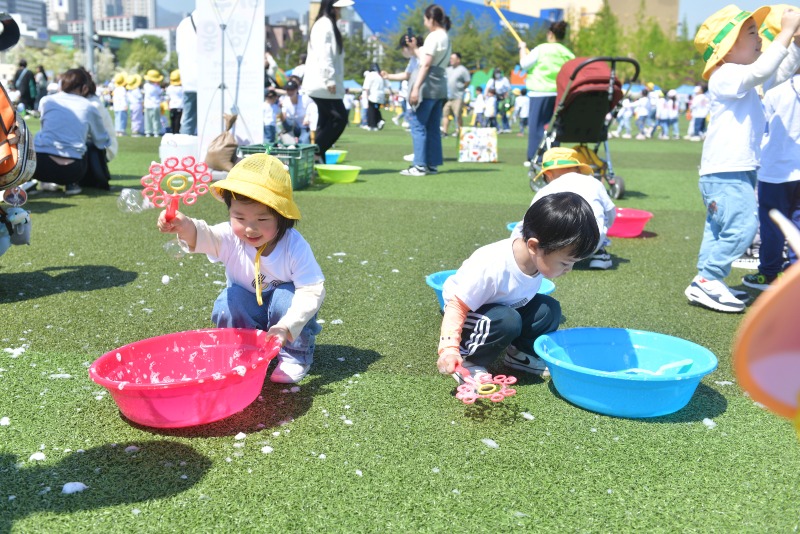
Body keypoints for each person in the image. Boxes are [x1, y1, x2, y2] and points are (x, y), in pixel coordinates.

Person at [156, 154, 325, 384]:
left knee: (286, 296)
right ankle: (242, 352)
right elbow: (205, 235)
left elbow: (312, 289)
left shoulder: (293, 246)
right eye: (239, 217)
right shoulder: (229, 237)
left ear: (282, 217)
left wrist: (286, 326)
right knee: (228, 300)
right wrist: (184, 226)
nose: (250, 228)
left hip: (285, 318)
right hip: (250, 311)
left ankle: (295, 355)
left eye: (263, 219)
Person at [685, 5, 800, 313]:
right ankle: (708, 279)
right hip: (727, 169)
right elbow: (761, 72)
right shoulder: (724, 75)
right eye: (751, 32)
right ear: (726, 47)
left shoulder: (739, 79)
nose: (760, 37)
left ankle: (706, 279)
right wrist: (786, 32)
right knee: (742, 228)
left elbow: (776, 74)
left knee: (719, 229)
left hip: (731, 169)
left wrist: (793, 43)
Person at [436, 192, 599, 380]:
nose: (569, 269)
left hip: (501, 310)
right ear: (534, 246)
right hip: (467, 312)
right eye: (565, 263)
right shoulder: (492, 266)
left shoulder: (536, 260)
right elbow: (457, 306)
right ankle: (469, 361)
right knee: (508, 320)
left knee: (548, 310)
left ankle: (520, 355)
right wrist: (449, 349)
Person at [743, 66, 800, 291]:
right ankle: (794, 272)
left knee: (773, 225)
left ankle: (768, 273)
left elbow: (759, 129)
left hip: (775, 171)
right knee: (797, 223)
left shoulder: (776, 91)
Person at [512, 147, 615, 270]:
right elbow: (611, 213)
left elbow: (529, 222)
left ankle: (549, 261)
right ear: (578, 169)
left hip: (556, 247)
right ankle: (600, 254)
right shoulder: (594, 183)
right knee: (597, 225)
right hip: (591, 244)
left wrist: (515, 243)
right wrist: (604, 229)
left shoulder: (545, 191)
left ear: (548, 174)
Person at [30, 68, 112, 196]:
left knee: (37, 138)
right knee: (89, 144)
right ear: (85, 88)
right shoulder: (89, 106)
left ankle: (29, 181)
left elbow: (45, 126)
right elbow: (101, 141)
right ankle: (72, 184)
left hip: (40, 166)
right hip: (72, 170)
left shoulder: (46, 101)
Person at [402, 4, 451, 176]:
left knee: (418, 124)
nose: (424, 23)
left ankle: (420, 165)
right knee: (432, 126)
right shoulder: (445, 36)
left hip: (428, 83)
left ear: (431, 19)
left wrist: (415, 88)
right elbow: (429, 58)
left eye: (425, 19)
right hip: (440, 84)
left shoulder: (433, 37)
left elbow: (426, 63)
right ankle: (431, 164)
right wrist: (415, 48)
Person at [303, 0, 353, 163]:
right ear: (333, 8)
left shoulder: (327, 24)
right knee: (339, 118)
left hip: (324, 83)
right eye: (340, 8)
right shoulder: (324, 24)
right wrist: (329, 78)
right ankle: (316, 152)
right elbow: (324, 54)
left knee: (325, 121)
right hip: (323, 84)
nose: (342, 11)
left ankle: (318, 158)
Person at [519, 21, 574, 162]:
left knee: (536, 127)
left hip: (539, 92)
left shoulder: (541, 49)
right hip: (559, 95)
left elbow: (524, 64)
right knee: (554, 128)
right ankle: (553, 157)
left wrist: (522, 49)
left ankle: (534, 157)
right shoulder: (566, 52)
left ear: (550, 34)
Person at [382, 33, 423, 130]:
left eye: (403, 48)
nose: (402, 51)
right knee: (419, 127)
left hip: (424, 94)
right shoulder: (413, 58)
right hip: (418, 93)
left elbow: (426, 64)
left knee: (418, 128)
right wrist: (388, 76)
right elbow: (407, 74)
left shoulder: (422, 52)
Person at [176, 10, 198, 135]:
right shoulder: (211, 21)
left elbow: (179, 51)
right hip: (208, 80)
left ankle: (185, 149)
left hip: (188, 79)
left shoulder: (183, 24)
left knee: (188, 118)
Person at [441, 52, 471, 136]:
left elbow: (467, 81)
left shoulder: (463, 70)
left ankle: (459, 131)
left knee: (457, 115)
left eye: (453, 59)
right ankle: (445, 131)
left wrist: (461, 87)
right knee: (445, 114)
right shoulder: (448, 69)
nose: (451, 60)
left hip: (458, 97)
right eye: (450, 59)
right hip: (448, 97)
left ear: (458, 60)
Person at [280, 79, 310, 143]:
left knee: (304, 142)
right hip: (291, 128)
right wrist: (280, 110)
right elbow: (284, 117)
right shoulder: (284, 100)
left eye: (292, 89)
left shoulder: (305, 99)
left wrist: (307, 117)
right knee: (284, 142)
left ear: (297, 89)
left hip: (304, 126)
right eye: (288, 90)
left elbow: (312, 109)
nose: (290, 92)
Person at [485, 67, 511, 133]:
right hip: (494, 98)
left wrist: (506, 96)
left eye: (499, 73)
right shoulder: (492, 80)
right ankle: (495, 127)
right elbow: (487, 88)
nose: (498, 74)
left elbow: (508, 88)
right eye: (496, 73)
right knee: (493, 114)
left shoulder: (504, 80)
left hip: (502, 99)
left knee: (503, 113)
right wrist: (485, 96)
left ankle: (506, 127)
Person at [362, 62, 387, 130]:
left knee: (371, 110)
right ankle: (379, 121)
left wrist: (366, 97)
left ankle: (372, 125)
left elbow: (366, 87)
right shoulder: (380, 75)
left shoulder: (370, 75)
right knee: (376, 109)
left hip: (372, 95)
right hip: (381, 96)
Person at [143, 70, 164, 137]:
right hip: (155, 105)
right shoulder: (157, 87)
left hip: (148, 105)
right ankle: (156, 132)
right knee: (156, 119)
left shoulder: (145, 86)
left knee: (147, 119)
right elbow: (160, 93)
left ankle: (148, 132)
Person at [165, 70, 184, 134]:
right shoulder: (182, 88)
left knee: (172, 121)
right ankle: (176, 133)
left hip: (172, 106)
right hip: (180, 106)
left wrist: (168, 106)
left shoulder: (169, 88)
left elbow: (168, 98)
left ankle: (173, 132)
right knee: (178, 121)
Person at [111, 72, 128, 137]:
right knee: (122, 119)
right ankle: (121, 131)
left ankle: (117, 131)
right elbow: (123, 98)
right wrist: (125, 105)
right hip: (121, 107)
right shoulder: (122, 89)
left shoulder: (116, 89)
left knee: (117, 119)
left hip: (116, 107)